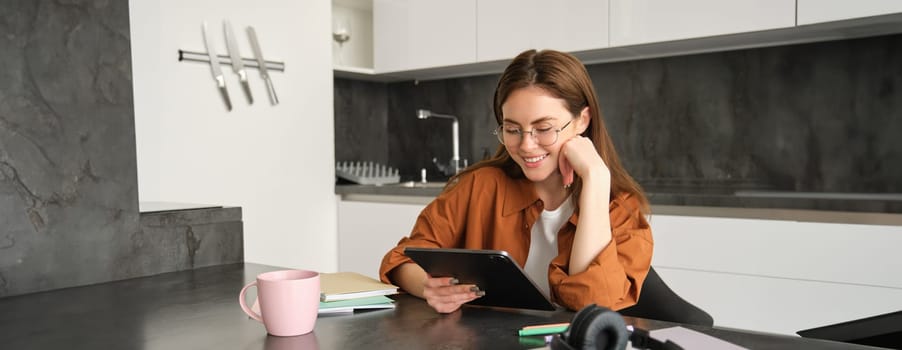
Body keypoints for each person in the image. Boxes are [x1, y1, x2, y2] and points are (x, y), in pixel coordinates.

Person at [379, 49, 653, 313]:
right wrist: (429, 287)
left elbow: (594, 304)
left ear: (582, 120)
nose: (526, 145)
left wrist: (595, 179)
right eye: (512, 129)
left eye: (544, 129)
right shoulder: (481, 186)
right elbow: (400, 259)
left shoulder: (621, 208)